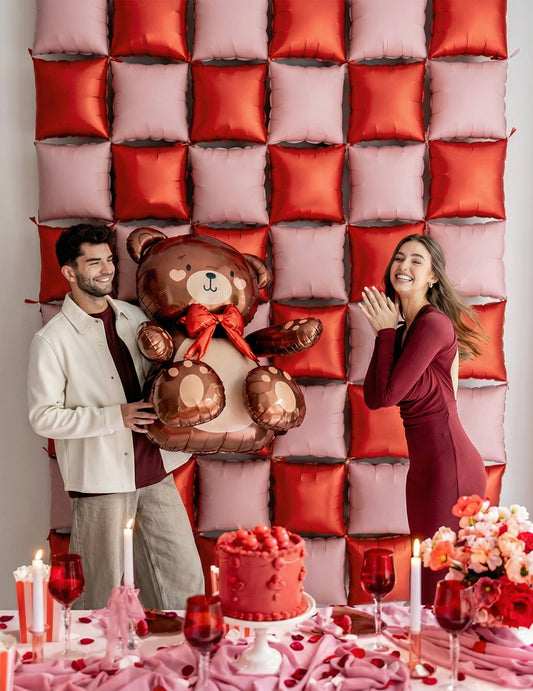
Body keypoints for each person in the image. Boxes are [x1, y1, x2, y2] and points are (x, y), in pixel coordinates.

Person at [27, 224, 204, 610]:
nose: (106, 269)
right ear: (69, 272)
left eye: (108, 259)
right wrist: (115, 417)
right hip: (100, 481)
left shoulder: (134, 316)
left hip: (154, 469)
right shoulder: (52, 340)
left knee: (184, 580)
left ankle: (178, 647)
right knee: (98, 591)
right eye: (94, 262)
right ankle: (87, 650)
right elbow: (43, 418)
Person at [359, 234, 487, 604]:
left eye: (417, 260)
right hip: (424, 472)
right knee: (429, 579)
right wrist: (386, 335)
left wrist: (386, 332)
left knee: (442, 584)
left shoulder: (434, 325)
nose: (404, 265)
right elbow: (373, 399)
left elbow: (389, 394)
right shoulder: (403, 332)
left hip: (451, 468)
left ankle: (450, 642)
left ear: (432, 277)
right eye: (399, 257)